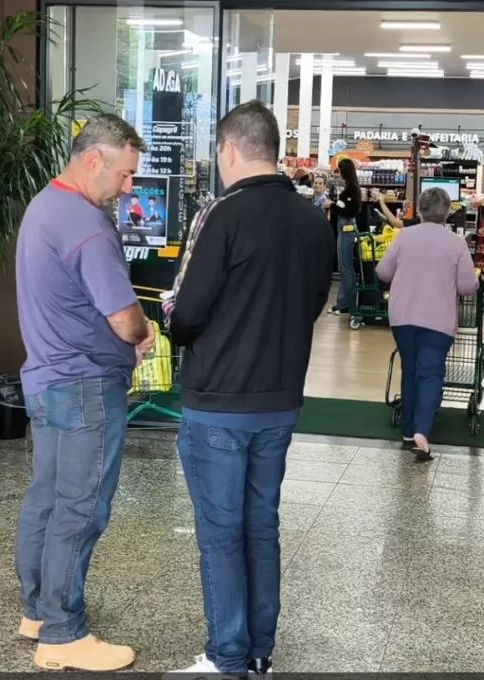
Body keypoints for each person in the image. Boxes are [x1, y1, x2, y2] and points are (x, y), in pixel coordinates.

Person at [162, 100, 334, 677]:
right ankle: (259, 649)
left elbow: (185, 314)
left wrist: (170, 314)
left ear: (228, 150)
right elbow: (314, 305)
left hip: (218, 402)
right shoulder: (314, 220)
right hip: (280, 399)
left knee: (220, 532)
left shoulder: (221, 215)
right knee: (261, 524)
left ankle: (226, 657)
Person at [14, 114, 154, 672]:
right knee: (81, 507)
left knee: (46, 498)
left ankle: (38, 611)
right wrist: (143, 337)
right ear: (94, 159)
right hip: (85, 388)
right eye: (124, 175)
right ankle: (64, 633)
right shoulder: (88, 226)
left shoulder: (44, 205)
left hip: (46, 379)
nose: (128, 188)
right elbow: (123, 316)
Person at [375, 187, 479, 460]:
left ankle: (409, 430)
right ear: (447, 212)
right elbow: (468, 286)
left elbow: (382, 271)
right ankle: (423, 429)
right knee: (430, 373)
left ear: (419, 209)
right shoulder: (456, 243)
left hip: (402, 316)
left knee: (410, 370)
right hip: (438, 319)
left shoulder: (404, 235)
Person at [329, 157, 362, 315]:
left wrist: (333, 206)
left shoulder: (352, 189)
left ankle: (346, 304)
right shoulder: (351, 187)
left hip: (347, 230)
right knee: (344, 267)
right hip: (345, 229)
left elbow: (350, 211)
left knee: (346, 268)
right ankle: (343, 302)